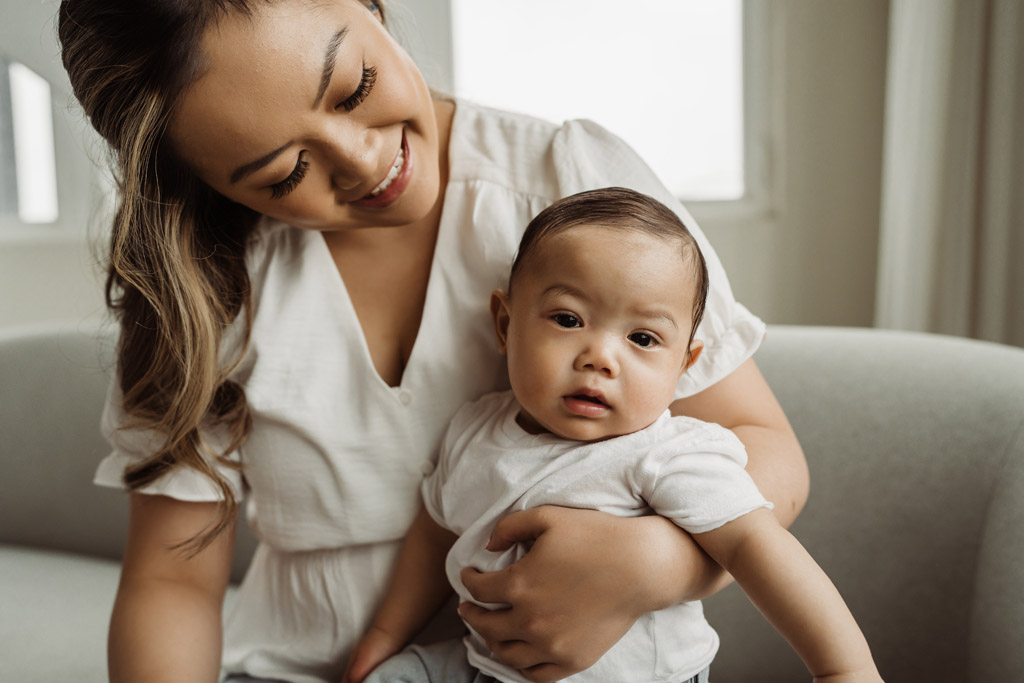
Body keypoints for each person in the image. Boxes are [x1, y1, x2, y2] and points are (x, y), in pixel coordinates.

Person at [57, 1, 808, 681]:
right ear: (207, 186)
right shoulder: (201, 285)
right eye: (286, 174)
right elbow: (172, 581)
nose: (362, 159)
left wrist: (656, 563)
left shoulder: (567, 182)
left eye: (354, 87)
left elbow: (762, 446)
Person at [343, 188, 881, 683]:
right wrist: (386, 635)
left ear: (683, 365)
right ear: (505, 325)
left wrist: (844, 670)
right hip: (487, 665)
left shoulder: (665, 454)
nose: (600, 357)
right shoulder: (473, 429)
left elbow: (757, 547)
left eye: (642, 338)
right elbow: (435, 532)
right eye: (568, 319)